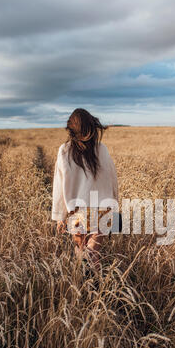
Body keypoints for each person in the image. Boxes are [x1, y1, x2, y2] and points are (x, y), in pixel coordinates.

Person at [51, 108, 118, 271]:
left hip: (77, 211)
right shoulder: (101, 149)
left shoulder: (64, 150)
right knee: (94, 253)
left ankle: (83, 286)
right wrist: (115, 205)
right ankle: (98, 287)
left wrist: (60, 215)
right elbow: (112, 179)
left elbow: (59, 184)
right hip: (102, 209)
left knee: (80, 251)